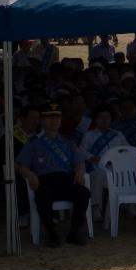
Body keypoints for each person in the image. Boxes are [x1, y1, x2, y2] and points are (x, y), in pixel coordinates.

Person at [16, 103, 91, 247]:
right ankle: (52, 234)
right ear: (42, 120)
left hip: (65, 180)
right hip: (45, 181)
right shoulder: (33, 143)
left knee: (83, 193)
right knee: (42, 195)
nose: (54, 120)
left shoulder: (68, 142)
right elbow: (20, 165)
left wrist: (80, 171)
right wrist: (30, 175)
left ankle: (74, 232)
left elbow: (79, 161)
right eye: (50, 117)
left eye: (57, 117)